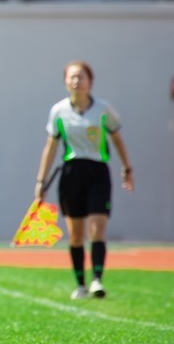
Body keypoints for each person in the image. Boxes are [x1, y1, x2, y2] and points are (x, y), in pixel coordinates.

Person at [34, 60, 134, 300]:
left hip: (98, 172)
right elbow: (51, 146)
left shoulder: (103, 109)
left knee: (97, 229)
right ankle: (80, 284)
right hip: (71, 174)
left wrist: (126, 167)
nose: (77, 81)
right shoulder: (59, 111)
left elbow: (117, 138)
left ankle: (97, 280)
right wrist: (41, 181)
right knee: (76, 234)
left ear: (90, 82)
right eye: (72, 77)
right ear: (65, 82)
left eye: (81, 77)